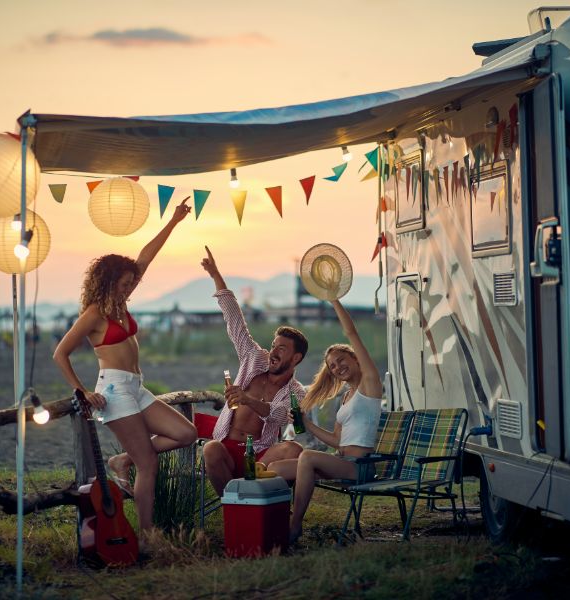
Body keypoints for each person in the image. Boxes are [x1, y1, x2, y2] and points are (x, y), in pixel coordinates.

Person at [53, 199, 198, 534]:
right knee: (149, 464)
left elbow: (146, 256)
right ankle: (148, 536)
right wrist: (83, 391)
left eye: (132, 282)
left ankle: (123, 460)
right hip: (114, 390)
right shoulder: (94, 313)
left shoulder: (120, 302)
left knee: (186, 433)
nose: (130, 287)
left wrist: (174, 221)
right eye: (124, 283)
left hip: (136, 387)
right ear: (108, 282)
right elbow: (60, 353)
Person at [267, 298, 383, 543]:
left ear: (354, 357)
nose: (337, 367)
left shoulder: (370, 383)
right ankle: (274, 521)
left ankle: (294, 525)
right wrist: (306, 422)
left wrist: (334, 300)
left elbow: (351, 331)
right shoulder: (346, 398)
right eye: (332, 366)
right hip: (341, 462)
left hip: (361, 467)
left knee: (307, 457)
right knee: (275, 469)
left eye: (341, 360)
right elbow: (337, 440)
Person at [200, 246, 307, 496]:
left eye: (282, 348)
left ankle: (254, 495)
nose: (273, 352)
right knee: (210, 449)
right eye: (273, 346)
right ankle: (234, 503)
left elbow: (280, 417)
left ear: (296, 357)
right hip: (227, 448)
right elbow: (235, 320)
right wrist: (216, 274)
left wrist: (247, 399)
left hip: (260, 454)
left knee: (293, 451)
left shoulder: (296, 391)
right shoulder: (254, 358)